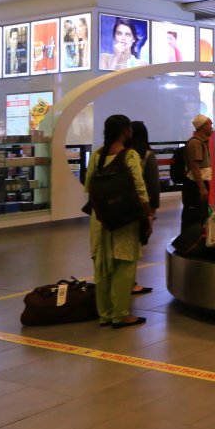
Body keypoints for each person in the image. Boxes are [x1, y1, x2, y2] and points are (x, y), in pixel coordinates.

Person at [85, 114, 152, 328]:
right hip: (125, 218)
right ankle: (121, 314)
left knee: (103, 265)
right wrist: (148, 215)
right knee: (124, 264)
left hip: (100, 218)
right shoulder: (130, 155)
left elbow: (88, 186)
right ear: (125, 131)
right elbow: (140, 189)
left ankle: (104, 314)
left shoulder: (97, 156)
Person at [128, 121, 159, 296]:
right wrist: (152, 211)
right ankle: (130, 283)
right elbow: (153, 186)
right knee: (135, 246)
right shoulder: (147, 156)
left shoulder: (122, 155)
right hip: (141, 207)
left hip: (124, 206)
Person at [182, 114, 214, 227]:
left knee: (201, 214)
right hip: (194, 186)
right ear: (204, 126)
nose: (212, 127)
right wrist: (202, 188)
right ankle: (190, 241)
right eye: (210, 124)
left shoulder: (201, 142)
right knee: (195, 215)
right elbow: (195, 166)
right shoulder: (195, 143)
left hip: (198, 184)